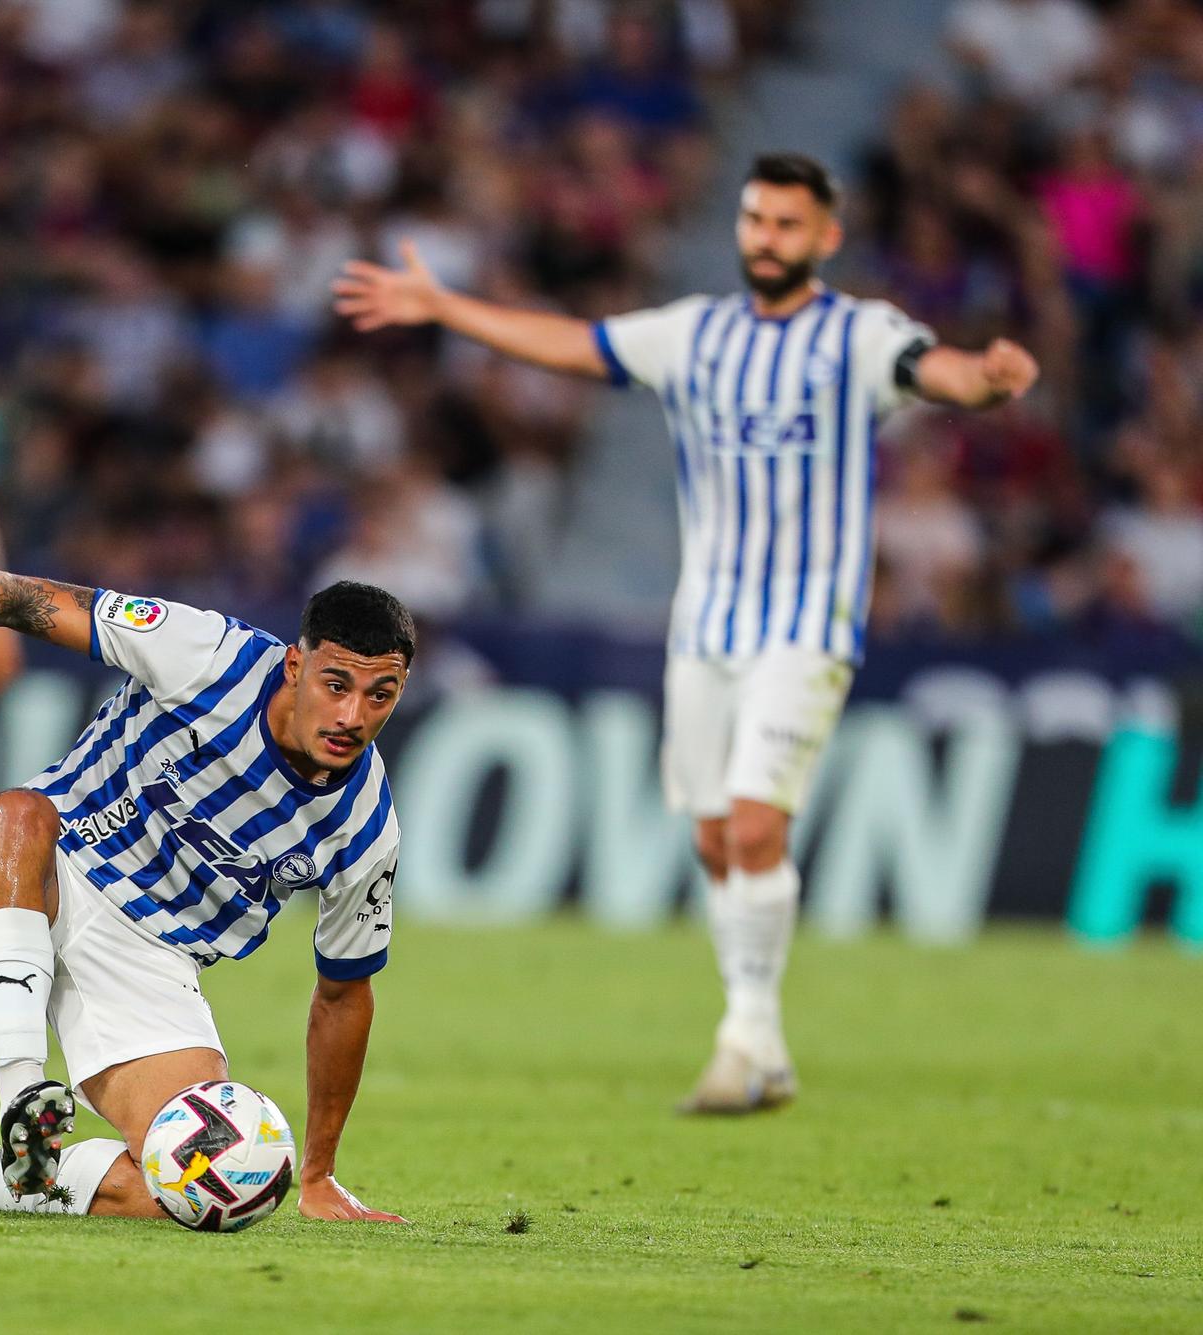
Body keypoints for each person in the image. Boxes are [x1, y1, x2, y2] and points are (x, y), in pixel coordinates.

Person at [333, 152, 1040, 1114]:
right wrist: (448, 308)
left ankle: (742, 1039)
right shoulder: (693, 335)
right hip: (705, 628)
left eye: (788, 224)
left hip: (808, 626)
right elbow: (574, 345)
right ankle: (765, 1040)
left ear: (826, 238)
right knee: (714, 840)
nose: (766, 237)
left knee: (755, 821)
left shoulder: (858, 335)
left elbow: (935, 368)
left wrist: (987, 380)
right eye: (755, 219)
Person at [0, 573, 410, 1225]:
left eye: (380, 695)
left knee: (203, 1187)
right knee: (16, 813)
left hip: (149, 965)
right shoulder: (204, 653)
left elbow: (344, 996)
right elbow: (13, 595)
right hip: (33, 868)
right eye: (336, 684)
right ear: (296, 663)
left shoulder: (366, 827)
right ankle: (23, 1092)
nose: (352, 716)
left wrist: (317, 1173)